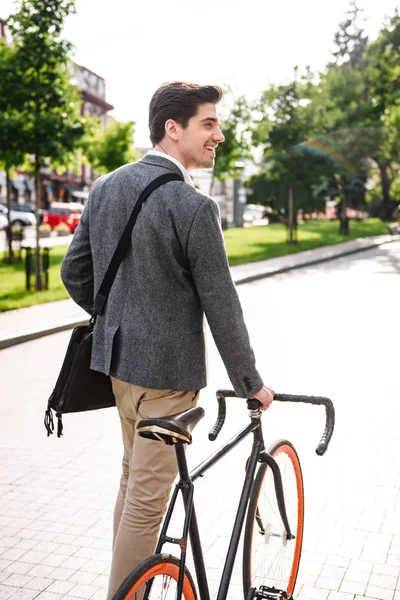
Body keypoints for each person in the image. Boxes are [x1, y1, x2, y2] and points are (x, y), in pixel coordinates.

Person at [60, 81, 275, 598]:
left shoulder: (106, 186)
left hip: (118, 370)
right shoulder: (193, 207)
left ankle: (128, 584)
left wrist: (118, 319)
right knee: (146, 501)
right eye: (209, 123)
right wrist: (252, 384)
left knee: (133, 482)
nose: (219, 135)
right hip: (166, 381)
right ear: (172, 129)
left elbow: (74, 272)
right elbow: (223, 308)